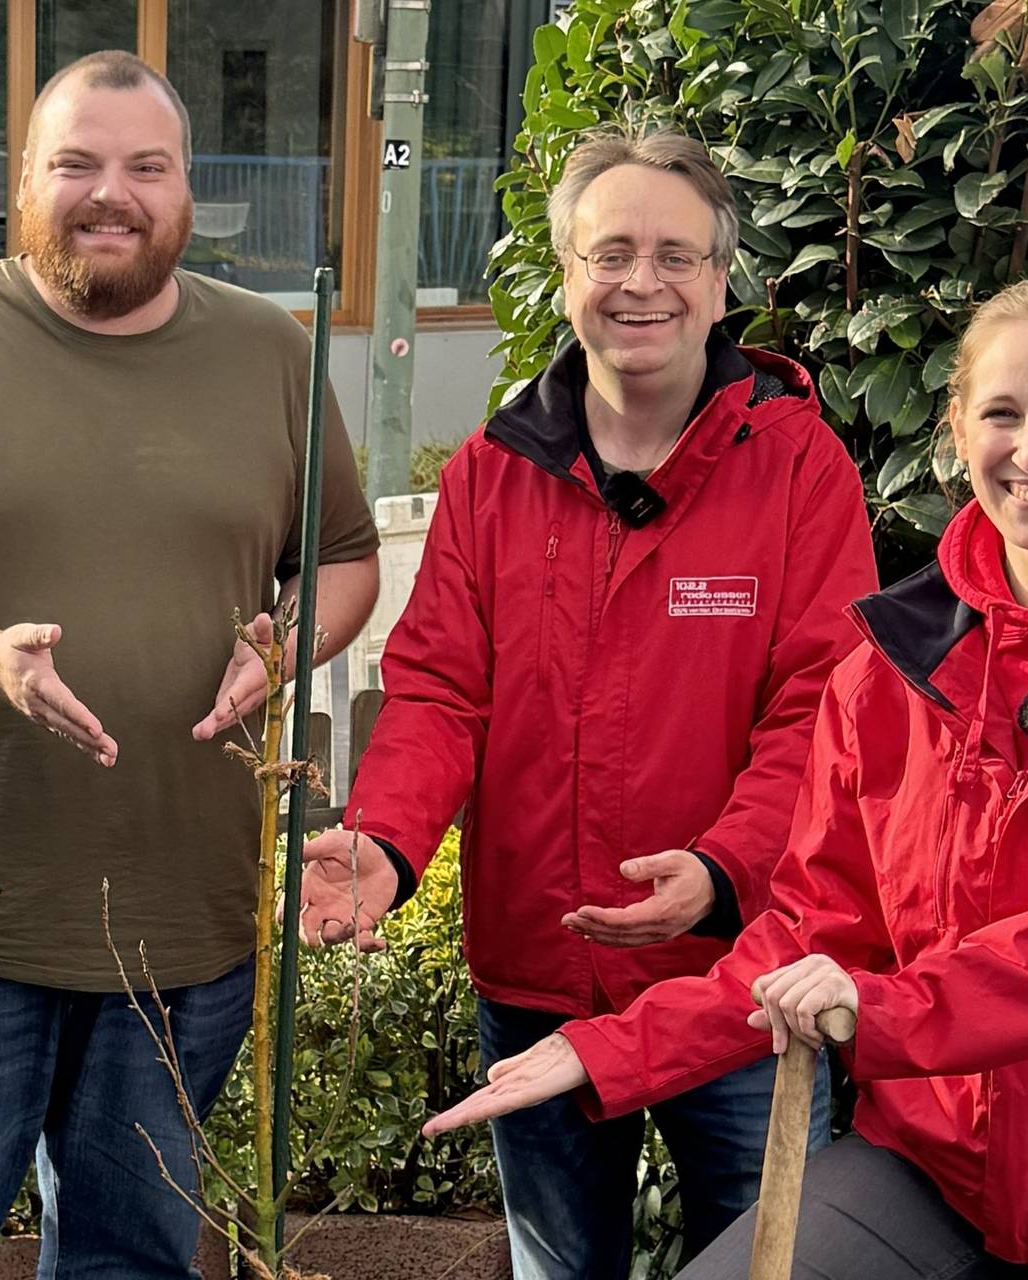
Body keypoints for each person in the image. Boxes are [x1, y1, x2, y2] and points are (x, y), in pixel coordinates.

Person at [425, 273, 1028, 1280]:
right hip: (932, 1166)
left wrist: (885, 1010)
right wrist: (608, 1046)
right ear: (956, 429)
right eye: (999, 413)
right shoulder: (896, 664)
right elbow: (808, 929)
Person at [0, 50, 380, 1278]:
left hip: (187, 935)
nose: (111, 194)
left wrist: (283, 639)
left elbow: (345, 564)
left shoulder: (265, 349)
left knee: (134, 1262)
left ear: (187, 191)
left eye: (144, 168)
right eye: (77, 164)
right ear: (24, 183)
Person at [297, 127, 875, 1274]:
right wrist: (386, 842)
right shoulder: (491, 472)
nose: (640, 282)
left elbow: (821, 716)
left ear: (720, 283)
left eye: (674, 254)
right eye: (609, 252)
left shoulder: (800, 470)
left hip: (740, 983)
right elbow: (438, 689)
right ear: (566, 274)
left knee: (761, 1261)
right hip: (537, 973)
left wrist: (718, 873)